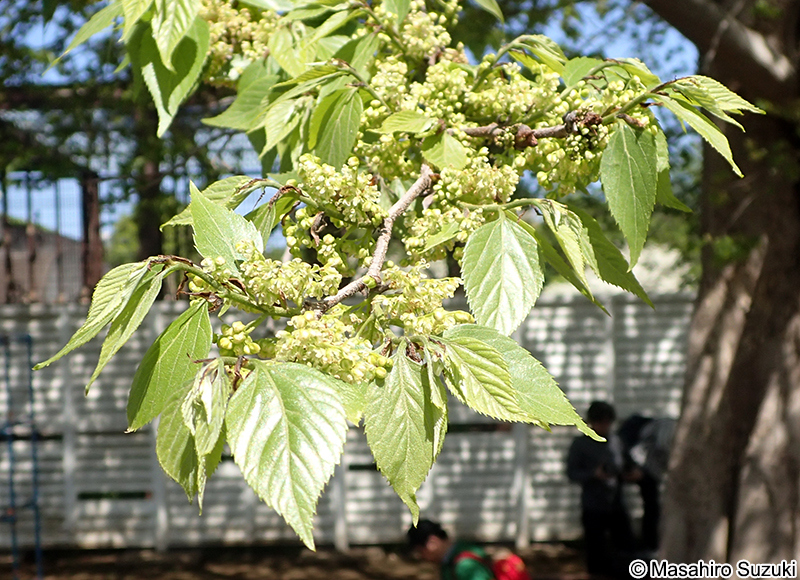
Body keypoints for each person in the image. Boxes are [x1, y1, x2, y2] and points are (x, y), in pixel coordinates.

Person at [567, 401, 636, 578]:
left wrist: (630, 474)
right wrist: (593, 474)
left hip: (616, 504)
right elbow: (571, 473)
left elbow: (628, 465)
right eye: (601, 422)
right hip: (593, 505)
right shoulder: (580, 444)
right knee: (595, 552)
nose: (605, 426)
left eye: (608, 422)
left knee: (625, 550)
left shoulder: (617, 442)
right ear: (592, 422)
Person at [617, 414, 676, 552]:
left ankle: (649, 543)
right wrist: (637, 469)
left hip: (648, 465)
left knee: (651, 505)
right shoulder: (667, 432)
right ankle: (628, 544)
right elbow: (660, 449)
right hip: (640, 461)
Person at [407, 519, 494, 580]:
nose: (421, 556)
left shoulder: (465, 565)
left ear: (433, 542)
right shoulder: (450, 562)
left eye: (420, 551)